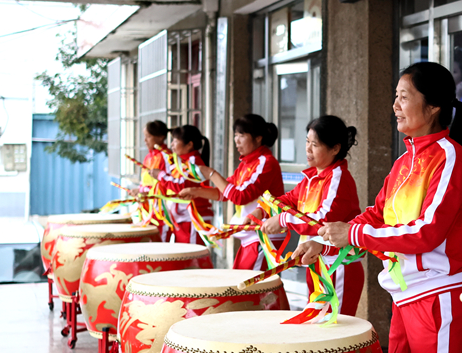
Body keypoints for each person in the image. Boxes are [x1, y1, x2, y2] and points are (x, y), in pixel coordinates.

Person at [318, 62, 462, 353]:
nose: (395, 105)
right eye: (394, 97)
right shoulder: (406, 161)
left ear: (433, 106)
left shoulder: (450, 158)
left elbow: (426, 232)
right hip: (405, 295)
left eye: (403, 97)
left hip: (437, 296)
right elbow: (377, 214)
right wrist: (327, 238)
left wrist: (353, 233)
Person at [257, 115, 364, 316]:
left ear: (335, 148)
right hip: (317, 262)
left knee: (334, 331)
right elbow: (289, 199)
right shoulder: (312, 177)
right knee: (317, 327)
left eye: (315, 144)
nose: (308, 148)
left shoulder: (338, 179)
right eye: (307, 141)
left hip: (338, 267)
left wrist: (282, 220)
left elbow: (321, 220)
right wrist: (263, 209)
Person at [179, 115, 288, 303]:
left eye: (241, 135)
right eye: (235, 135)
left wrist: (211, 173)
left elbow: (239, 196)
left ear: (258, 138)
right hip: (251, 237)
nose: (236, 140)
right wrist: (195, 191)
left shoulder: (266, 162)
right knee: (244, 289)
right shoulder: (247, 163)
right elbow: (224, 193)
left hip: (264, 238)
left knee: (253, 293)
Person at [155, 124, 213, 245]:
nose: (172, 145)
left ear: (189, 145)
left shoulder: (193, 163)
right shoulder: (182, 162)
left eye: (175, 141)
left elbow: (181, 186)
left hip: (193, 219)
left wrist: (160, 175)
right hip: (183, 220)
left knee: (192, 261)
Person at [137, 120, 169, 240]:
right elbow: (145, 183)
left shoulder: (166, 156)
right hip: (147, 210)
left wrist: (148, 193)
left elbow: (167, 184)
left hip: (161, 212)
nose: (145, 140)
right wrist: (139, 190)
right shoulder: (148, 157)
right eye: (145, 136)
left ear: (161, 137)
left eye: (149, 136)